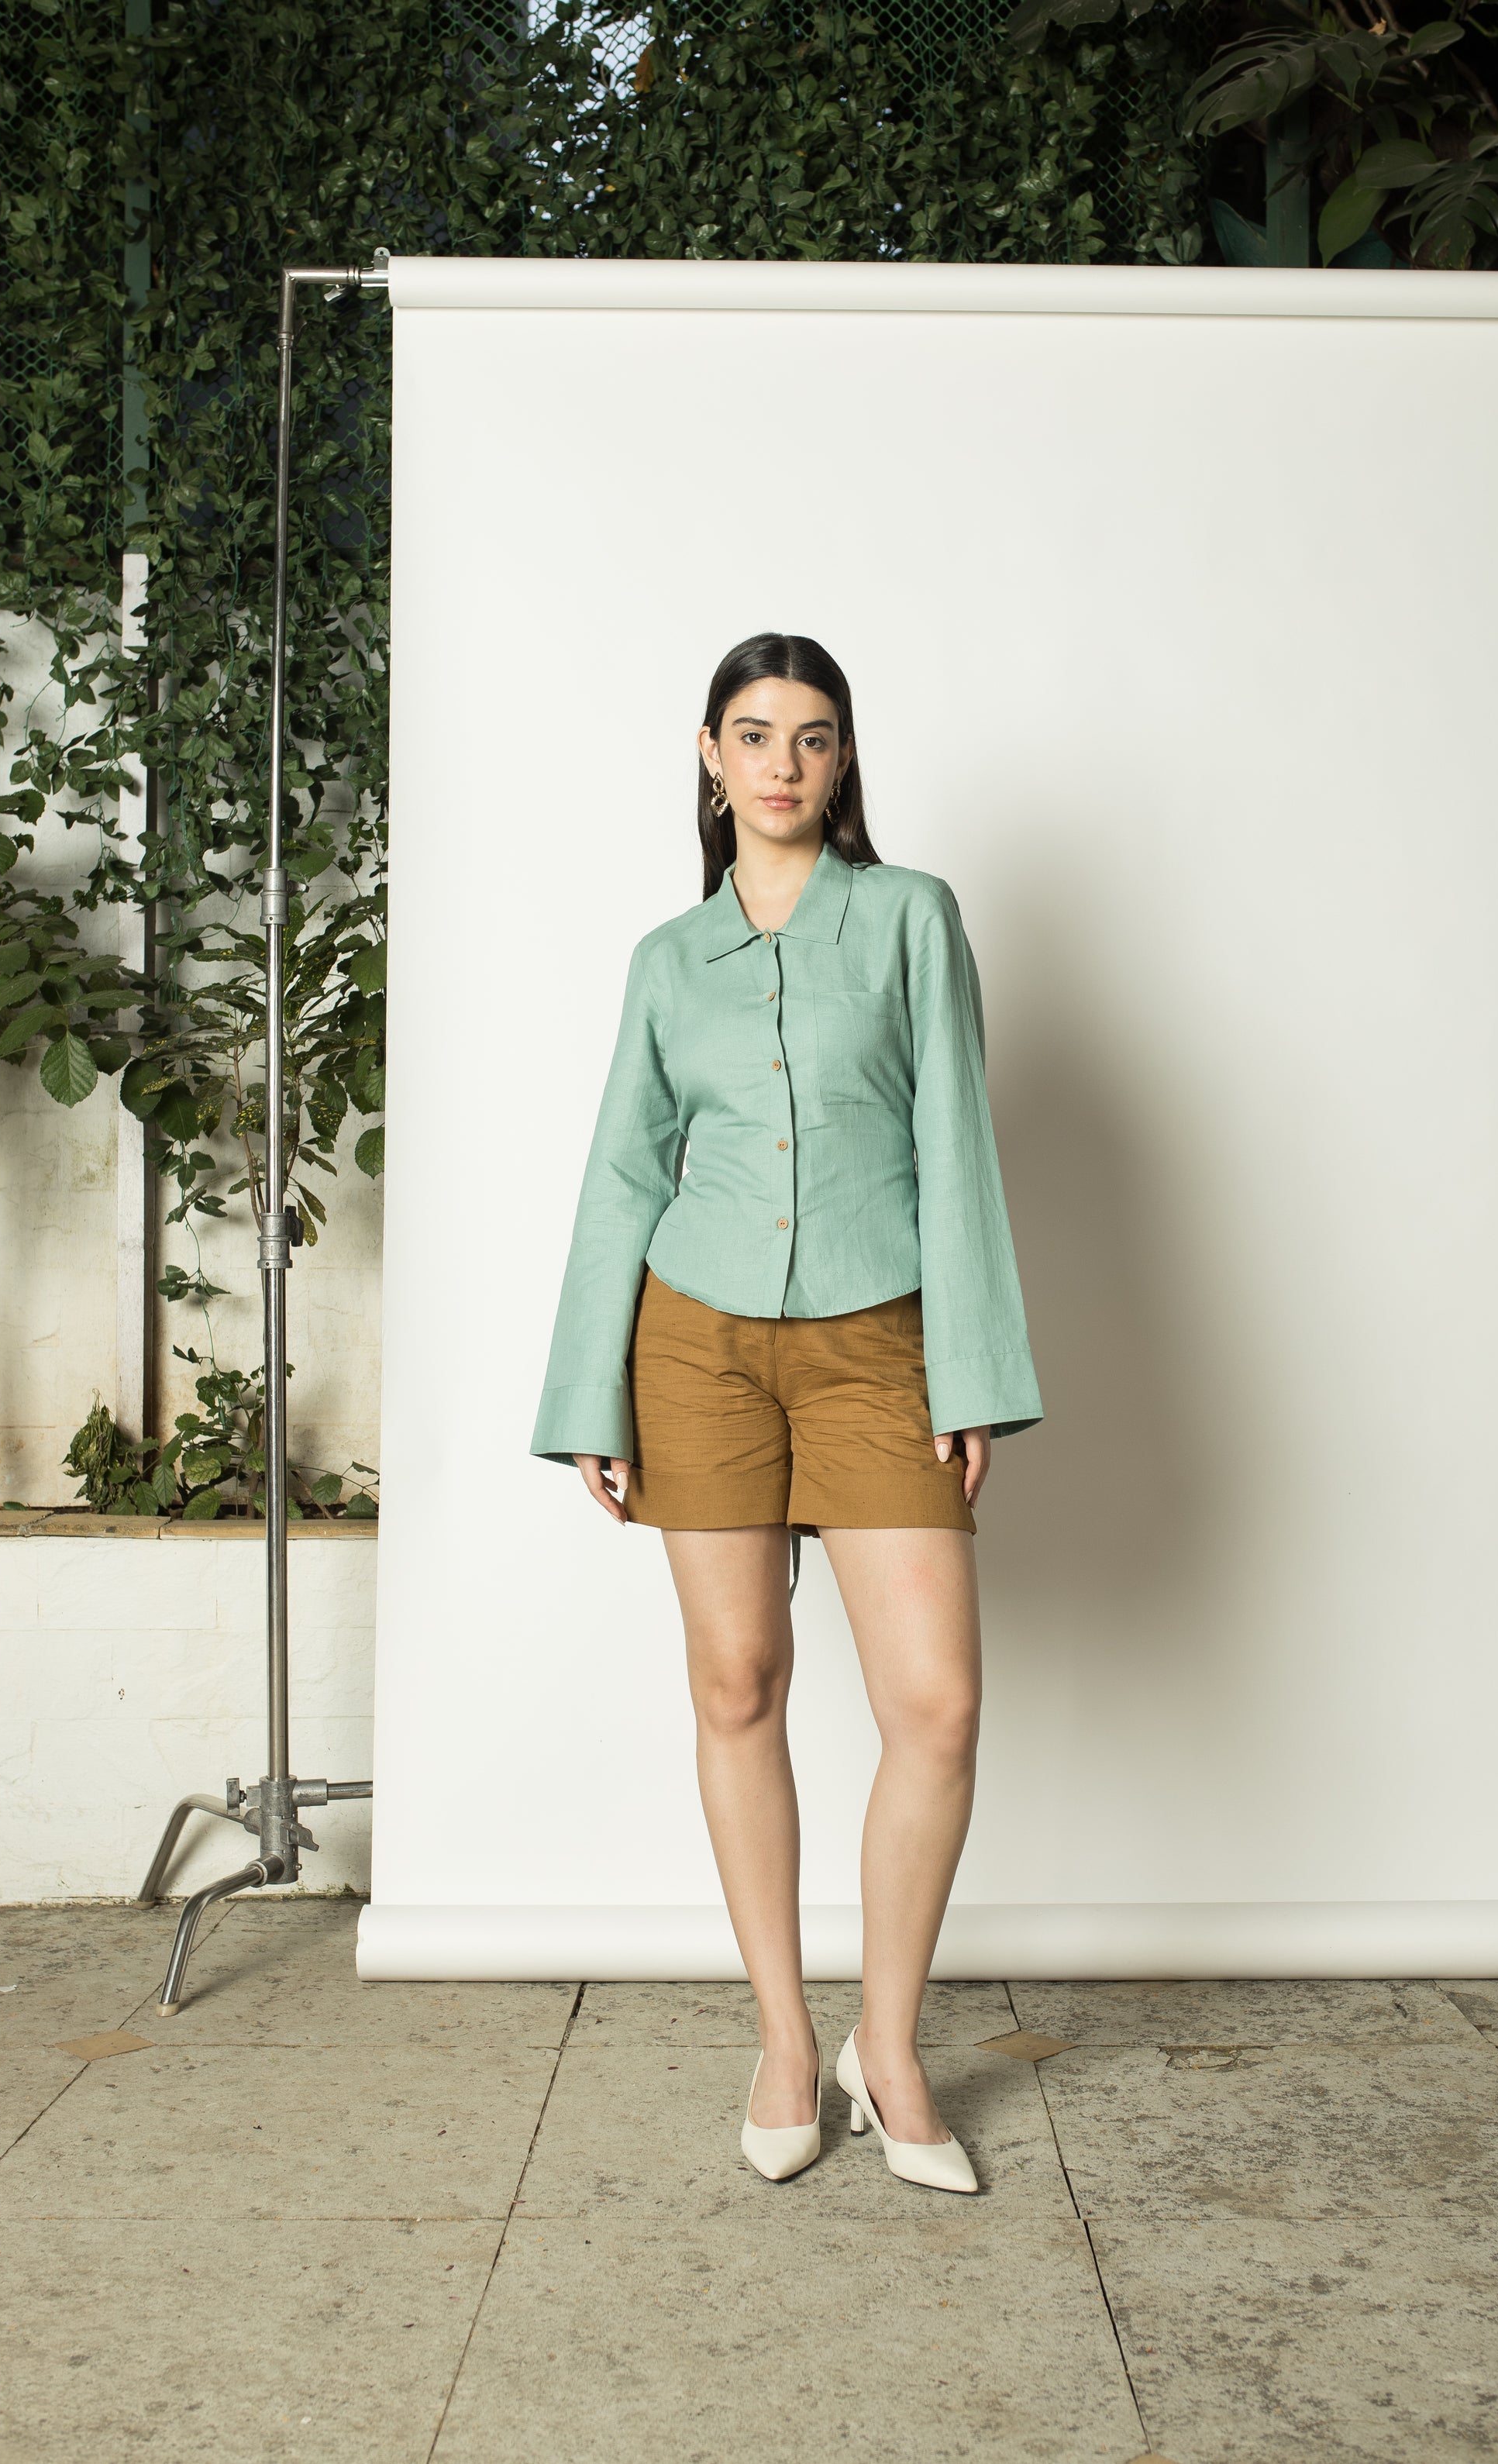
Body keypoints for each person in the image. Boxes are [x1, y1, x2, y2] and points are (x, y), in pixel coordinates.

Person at [531, 632, 1041, 2193]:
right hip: (695, 1347)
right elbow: (625, 1174)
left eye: (812, 736)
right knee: (738, 1681)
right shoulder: (664, 961)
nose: (782, 764)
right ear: (710, 754)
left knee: (935, 1705)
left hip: (880, 1337)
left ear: (844, 758)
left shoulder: (909, 918)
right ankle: (780, 2040)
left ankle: (889, 2048)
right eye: (754, 735)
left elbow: (955, 1141)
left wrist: (970, 1373)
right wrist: (592, 1391)